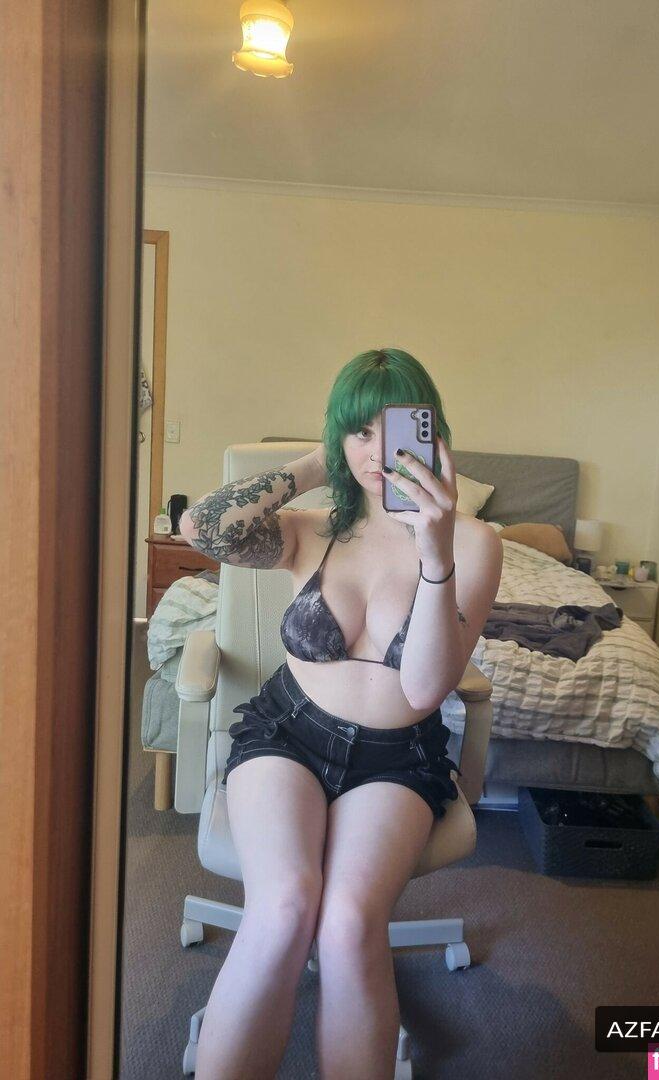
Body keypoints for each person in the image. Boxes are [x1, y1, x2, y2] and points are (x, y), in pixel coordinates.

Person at [180, 347, 503, 1080]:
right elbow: (202, 528)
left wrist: (436, 552)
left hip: (397, 758)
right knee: (283, 907)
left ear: (431, 432)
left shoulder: (474, 543)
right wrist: (321, 463)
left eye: (395, 429)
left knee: (351, 923)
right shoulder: (317, 527)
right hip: (287, 735)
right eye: (359, 431)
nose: (378, 451)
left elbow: (425, 689)